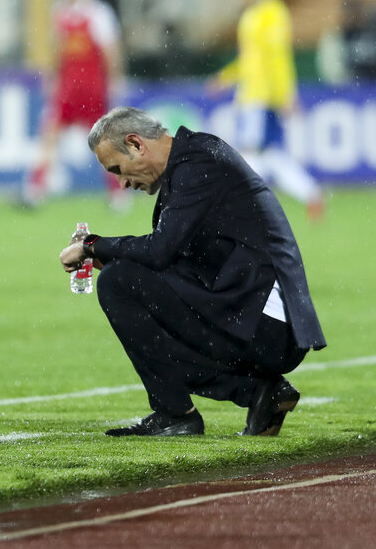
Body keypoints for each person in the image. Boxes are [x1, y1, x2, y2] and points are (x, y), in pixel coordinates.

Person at [58, 107, 326, 437]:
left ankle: (179, 412)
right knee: (123, 278)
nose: (123, 182)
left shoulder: (198, 164)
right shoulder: (194, 160)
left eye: (118, 169)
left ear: (136, 144)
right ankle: (256, 392)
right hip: (254, 315)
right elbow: (175, 259)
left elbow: (160, 250)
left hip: (269, 327)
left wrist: (93, 245)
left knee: (117, 283)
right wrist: (110, 257)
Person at [209, 0, 324, 220]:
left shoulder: (272, 13)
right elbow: (251, 59)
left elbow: (277, 57)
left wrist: (286, 94)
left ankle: (249, 209)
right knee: (270, 153)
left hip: (260, 96)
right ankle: (310, 193)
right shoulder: (251, 16)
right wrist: (226, 77)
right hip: (255, 93)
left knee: (249, 151)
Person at [23, 0, 125, 209]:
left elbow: (110, 49)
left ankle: (117, 193)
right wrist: (52, 77)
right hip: (69, 87)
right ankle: (36, 189)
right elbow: (58, 51)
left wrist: (115, 79)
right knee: (50, 132)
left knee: (102, 139)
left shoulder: (97, 13)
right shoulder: (61, 15)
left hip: (91, 86)